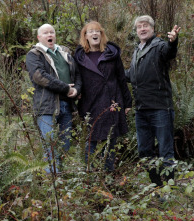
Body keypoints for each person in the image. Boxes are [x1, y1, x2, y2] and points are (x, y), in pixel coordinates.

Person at [126, 15, 181, 186]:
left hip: (160, 108)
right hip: (141, 110)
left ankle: (169, 187)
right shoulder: (137, 51)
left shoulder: (159, 46)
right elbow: (132, 76)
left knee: (165, 149)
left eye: (145, 26)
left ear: (152, 29)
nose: (142, 29)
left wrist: (173, 42)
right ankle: (156, 185)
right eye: (139, 27)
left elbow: (169, 52)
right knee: (144, 150)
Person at [74, 21, 132, 172]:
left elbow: (121, 79)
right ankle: (90, 175)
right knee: (90, 139)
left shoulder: (111, 54)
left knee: (110, 139)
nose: (94, 34)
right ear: (85, 36)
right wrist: (76, 94)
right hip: (89, 103)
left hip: (111, 100)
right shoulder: (79, 57)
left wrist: (127, 103)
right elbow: (76, 78)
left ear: (101, 34)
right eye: (91, 31)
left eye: (97, 31)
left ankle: (108, 174)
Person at [25, 24, 81, 174]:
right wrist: (65, 87)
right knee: (50, 146)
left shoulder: (64, 52)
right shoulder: (34, 54)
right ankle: (52, 183)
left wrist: (76, 90)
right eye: (45, 33)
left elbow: (77, 75)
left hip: (67, 105)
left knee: (66, 144)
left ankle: (61, 179)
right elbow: (39, 76)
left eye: (52, 32)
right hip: (46, 106)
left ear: (55, 35)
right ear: (39, 37)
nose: (49, 35)